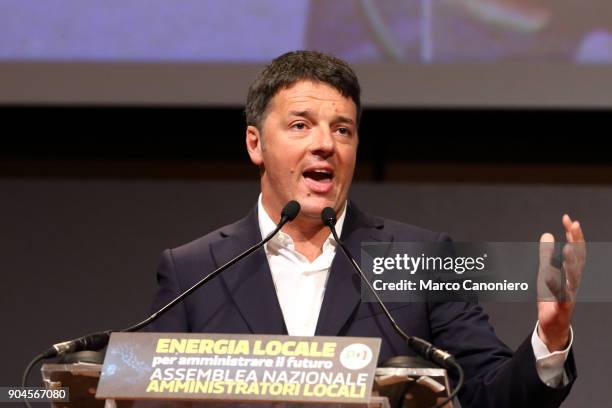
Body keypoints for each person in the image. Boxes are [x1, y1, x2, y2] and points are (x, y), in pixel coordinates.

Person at [150, 50, 585, 407]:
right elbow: (148, 397)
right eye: (300, 125)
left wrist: (549, 338)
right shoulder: (195, 270)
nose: (325, 144)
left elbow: (489, 397)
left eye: (343, 130)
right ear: (255, 143)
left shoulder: (419, 258)